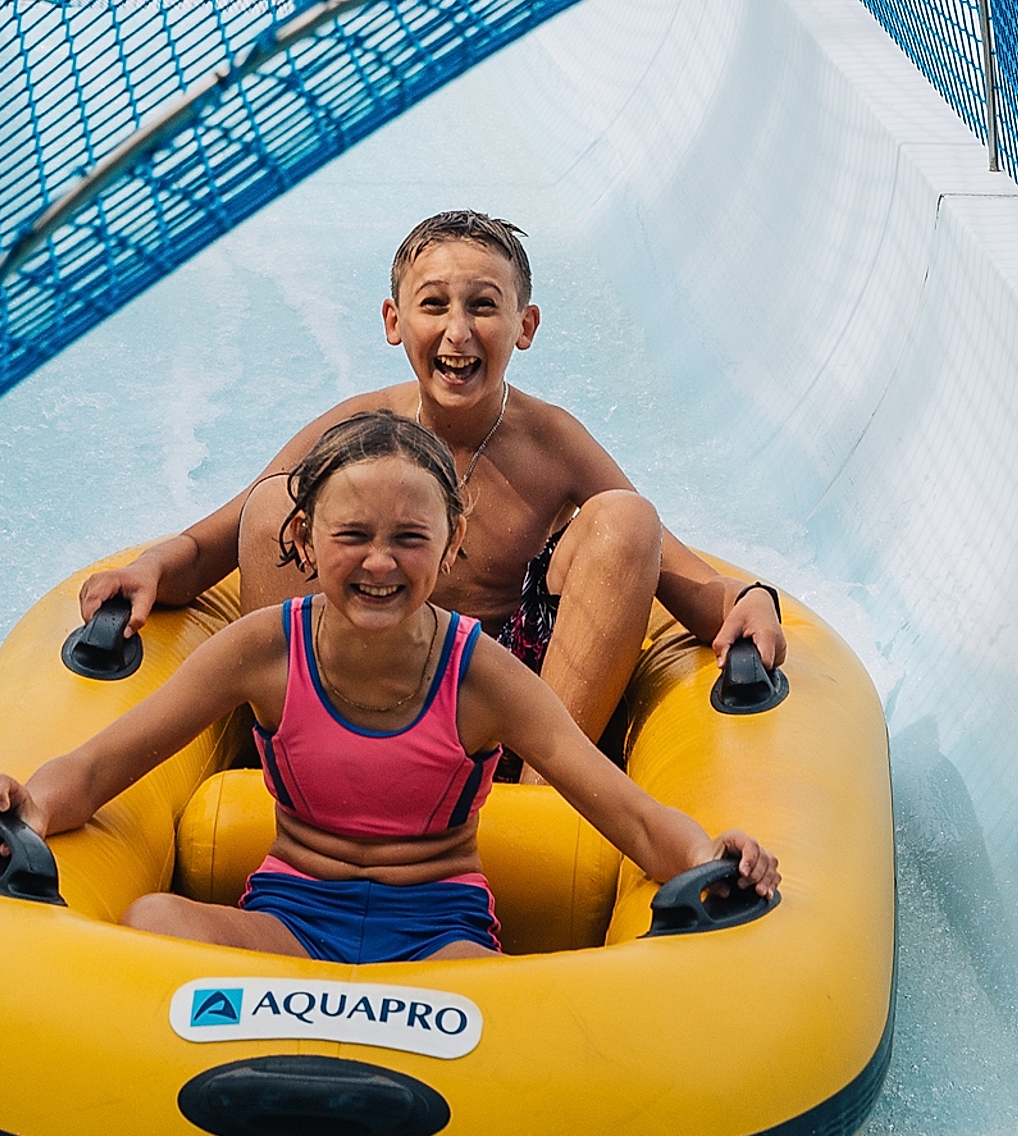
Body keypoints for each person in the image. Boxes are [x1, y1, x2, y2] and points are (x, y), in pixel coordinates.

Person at [0, 412, 777, 966]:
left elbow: (623, 809)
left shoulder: (478, 674)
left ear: (451, 545)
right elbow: (103, 765)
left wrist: (711, 855)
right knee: (150, 923)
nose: (379, 562)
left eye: (408, 538)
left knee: (508, 1000)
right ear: (304, 541)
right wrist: (25, 809)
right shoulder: (262, 651)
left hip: (439, 935)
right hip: (288, 921)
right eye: (351, 536)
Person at [74, 209, 786, 760]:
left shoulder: (550, 443)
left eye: (482, 306)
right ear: (394, 321)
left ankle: (544, 808)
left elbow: (679, 576)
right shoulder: (358, 428)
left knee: (628, 518)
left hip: (503, 714)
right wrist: (148, 568)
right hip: (355, 703)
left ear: (524, 325)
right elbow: (218, 543)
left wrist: (750, 601)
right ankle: (291, 771)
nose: (457, 332)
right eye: (433, 305)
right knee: (275, 504)